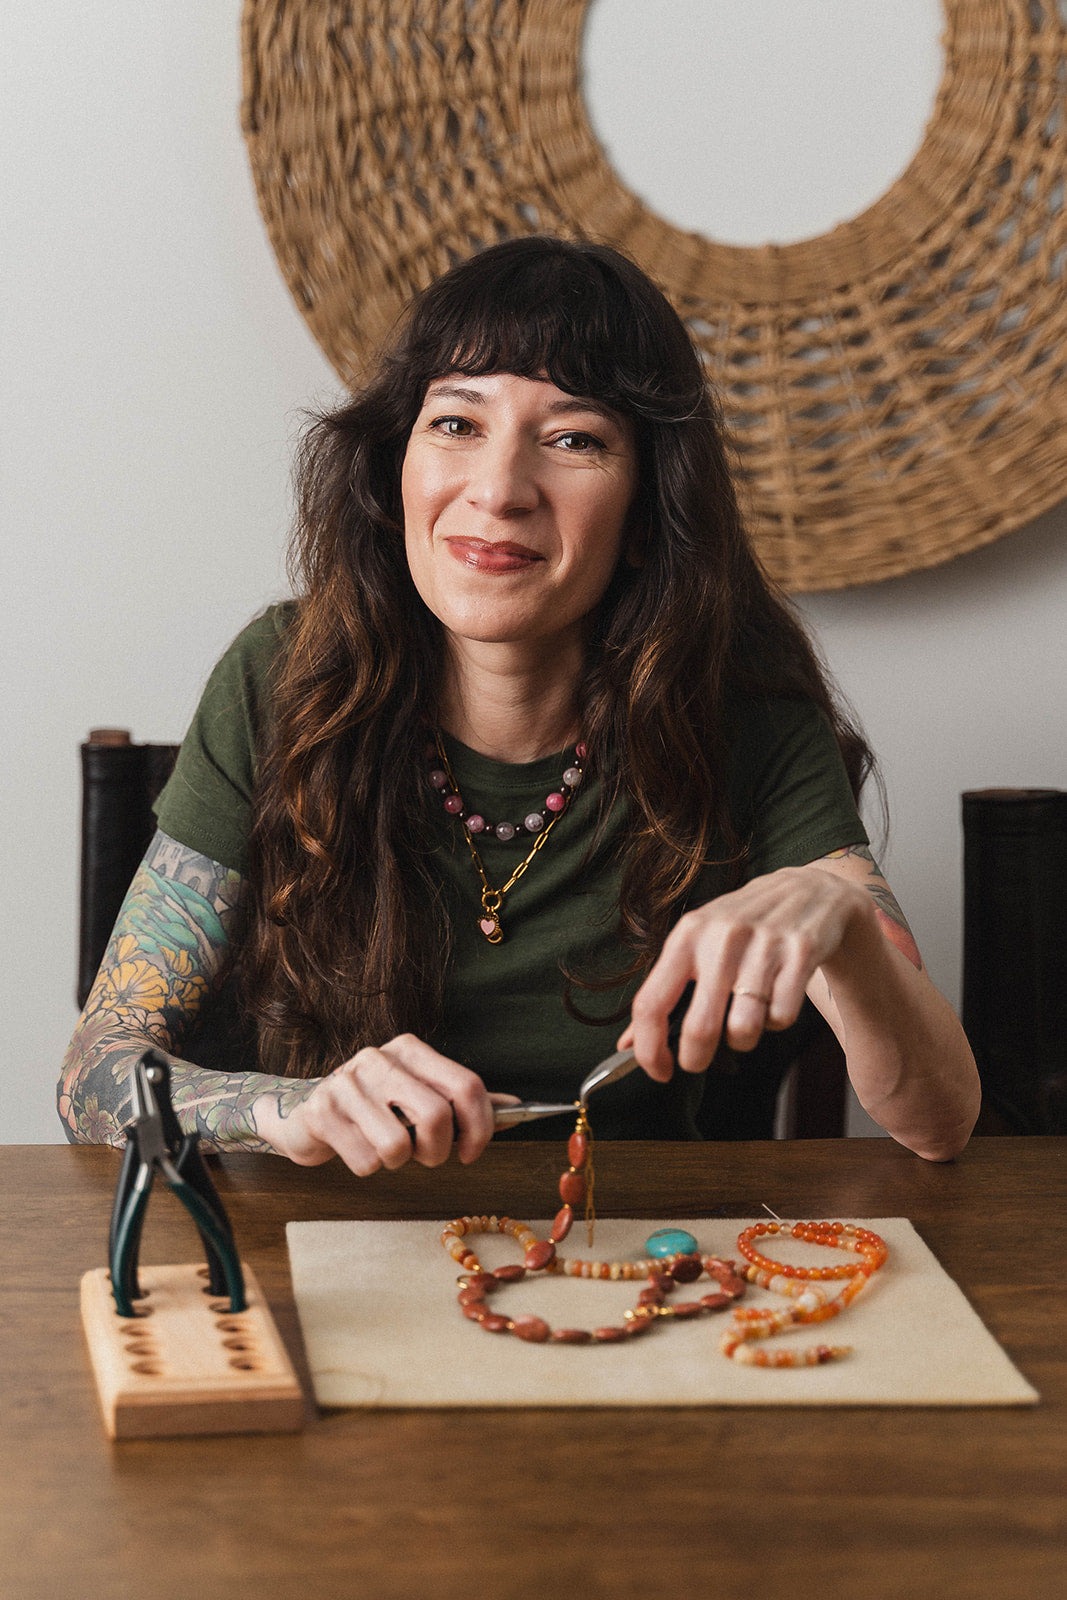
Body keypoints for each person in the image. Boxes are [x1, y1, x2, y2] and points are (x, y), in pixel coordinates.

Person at [59, 236, 979, 1172]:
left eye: (573, 439)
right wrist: (287, 1108)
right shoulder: (279, 676)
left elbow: (940, 1123)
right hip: (323, 1254)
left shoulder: (745, 715)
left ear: (645, 511)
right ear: (394, 470)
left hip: (641, 1267)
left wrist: (845, 928)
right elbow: (93, 1075)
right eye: (457, 424)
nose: (497, 492)